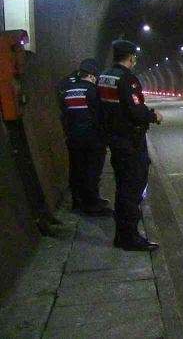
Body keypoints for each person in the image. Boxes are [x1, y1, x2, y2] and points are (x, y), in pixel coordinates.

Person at [99, 40, 162, 251]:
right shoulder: (128, 80)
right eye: (134, 57)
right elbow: (135, 111)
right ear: (131, 57)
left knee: (123, 188)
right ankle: (129, 237)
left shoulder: (104, 77)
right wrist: (153, 115)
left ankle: (122, 234)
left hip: (115, 140)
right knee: (133, 188)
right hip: (130, 141)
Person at [56, 58, 112, 216]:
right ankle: (92, 204)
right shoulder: (94, 91)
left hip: (73, 138)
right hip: (93, 139)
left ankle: (77, 201)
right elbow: (100, 117)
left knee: (76, 170)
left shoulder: (67, 90)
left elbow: (64, 114)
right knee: (92, 172)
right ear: (93, 75)